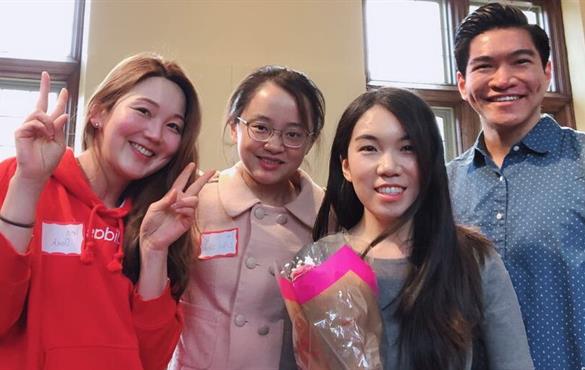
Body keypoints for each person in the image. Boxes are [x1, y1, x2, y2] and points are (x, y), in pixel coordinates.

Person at [0, 53, 213, 370]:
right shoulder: (20, 177)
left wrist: (153, 251)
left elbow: (151, 359)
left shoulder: (162, 219)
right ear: (98, 113)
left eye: (173, 126)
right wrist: (29, 184)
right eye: (143, 111)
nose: (155, 134)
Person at [313, 87, 533, 370]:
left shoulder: (474, 259)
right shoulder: (320, 262)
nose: (389, 166)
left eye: (408, 148)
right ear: (345, 165)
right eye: (369, 148)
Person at [447, 3, 585, 369]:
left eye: (520, 62)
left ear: (547, 72)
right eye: (484, 66)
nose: (503, 79)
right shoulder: (442, 185)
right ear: (462, 83)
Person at [171, 65, 325, 369]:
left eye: (293, 134)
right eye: (261, 127)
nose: (274, 145)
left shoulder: (327, 218)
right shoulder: (196, 199)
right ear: (234, 126)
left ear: (310, 141)